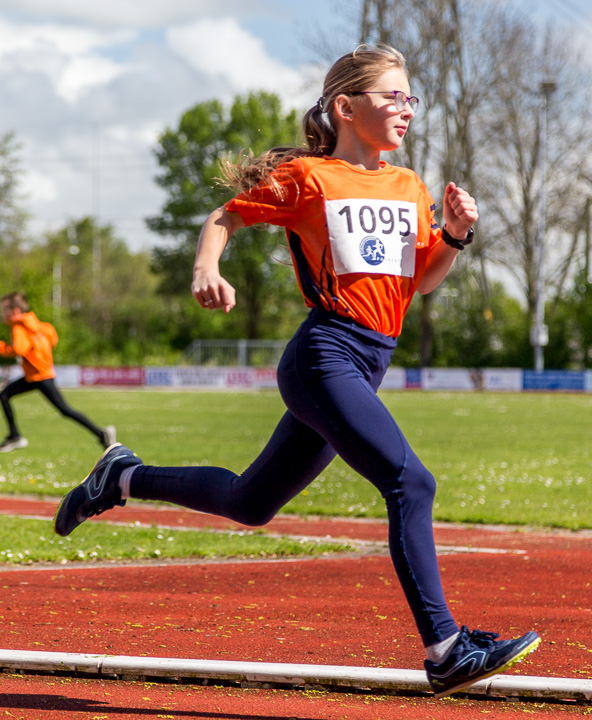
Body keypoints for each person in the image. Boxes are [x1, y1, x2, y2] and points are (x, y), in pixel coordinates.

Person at [54, 45, 540, 697]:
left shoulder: (408, 185)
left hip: (367, 362)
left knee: (251, 502)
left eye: (410, 98)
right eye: (392, 97)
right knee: (411, 483)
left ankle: (122, 477)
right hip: (324, 356)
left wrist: (451, 236)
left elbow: (420, 283)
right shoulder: (310, 179)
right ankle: (446, 648)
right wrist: (207, 267)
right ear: (345, 107)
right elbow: (224, 217)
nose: (406, 108)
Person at [0, 291, 116, 452]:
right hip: (39, 374)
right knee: (5, 395)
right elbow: (52, 338)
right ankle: (14, 436)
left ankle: (102, 434)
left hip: (39, 376)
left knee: (64, 410)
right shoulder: (37, 324)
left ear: (15, 312)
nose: (2, 315)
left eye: (3, 311)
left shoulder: (19, 327)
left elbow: (19, 349)